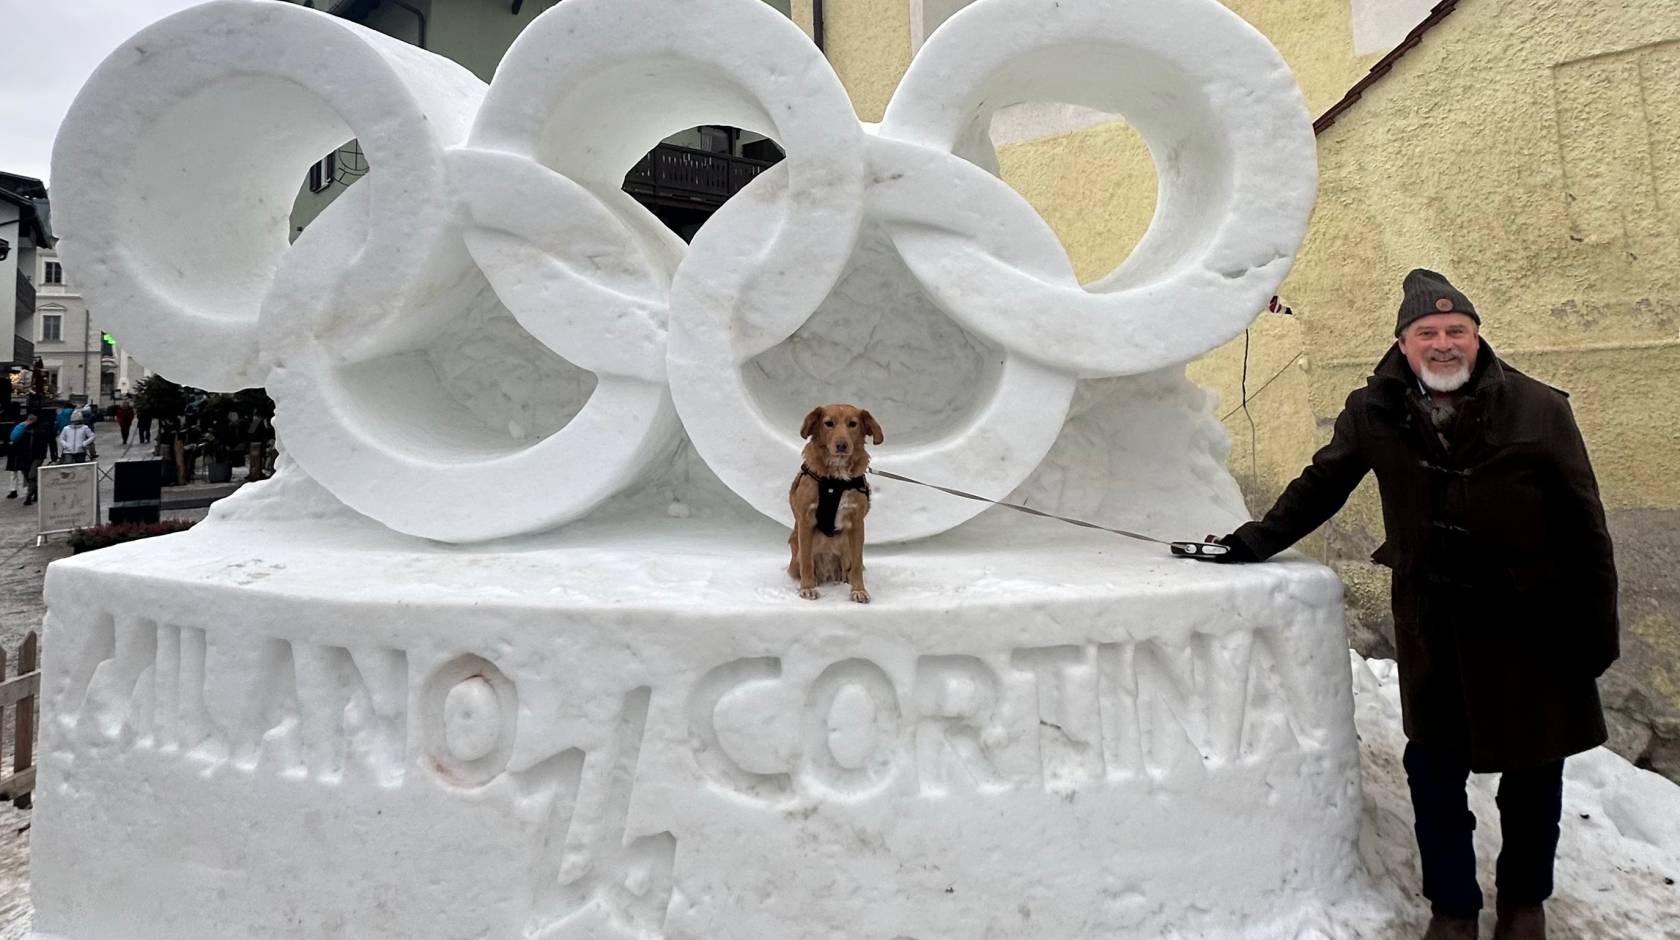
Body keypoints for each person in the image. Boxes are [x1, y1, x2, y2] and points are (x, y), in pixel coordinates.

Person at [1192, 269, 1616, 940]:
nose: (1444, 343)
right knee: (1434, 775)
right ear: (1404, 342)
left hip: (1531, 627)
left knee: (1535, 778)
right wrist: (1248, 543)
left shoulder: (1540, 409)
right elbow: (1320, 486)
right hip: (1434, 625)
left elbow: (1586, 528)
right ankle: (1452, 908)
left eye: (1457, 331)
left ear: (1476, 338)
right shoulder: (1374, 411)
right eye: (1428, 333)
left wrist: (1596, 635)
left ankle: (1523, 903)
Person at [19, 412, 56, 505]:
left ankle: (28, 497)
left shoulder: (44, 429)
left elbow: (52, 442)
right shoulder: (24, 428)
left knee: (31, 476)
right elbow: (17, 441)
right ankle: (36, 492)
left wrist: (54, 455)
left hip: (38, 456)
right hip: (26, 456)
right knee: (29, 476)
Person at [7, 415, 37, 498]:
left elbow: (12, 437)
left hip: (13, 451)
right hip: (23, 452)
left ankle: (13, 490)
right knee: (26, 471)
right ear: (32, 421)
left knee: (13, 472)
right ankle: (31, 490)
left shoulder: (18, 426)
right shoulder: (28, 428)